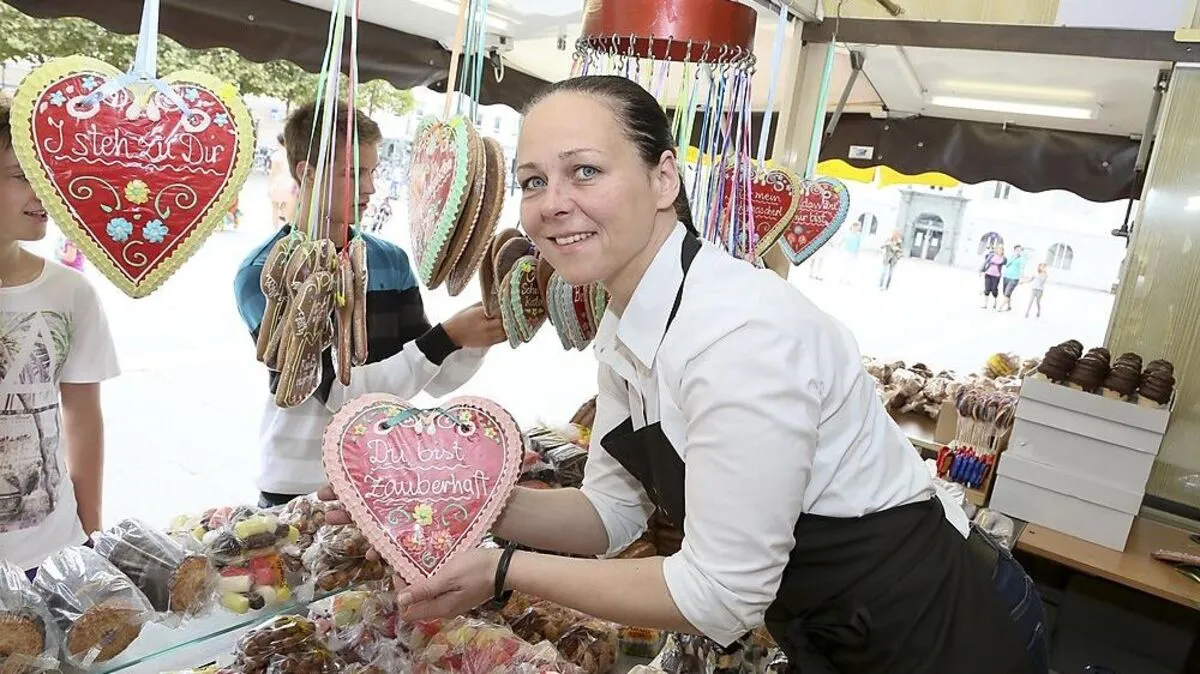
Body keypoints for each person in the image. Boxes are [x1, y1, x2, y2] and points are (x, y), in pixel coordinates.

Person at [370, 76, 1048, 674]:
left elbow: (721, 592)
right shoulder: (626, 323)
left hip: (941, 627)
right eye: (533, 181)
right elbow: (607, 514)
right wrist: (444, 496)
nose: (551, 203)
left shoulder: (738, 335)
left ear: (665, 178)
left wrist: (503, 569)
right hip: (830, 626)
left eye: (584, 171)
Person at [233, 101, 506, 509]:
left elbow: (435, 377)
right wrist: (447, 336)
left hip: (383, 474)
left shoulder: (388, 261)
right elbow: (338, 393)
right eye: (354, 173)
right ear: (308, 172)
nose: (371, 188)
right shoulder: (266, 273)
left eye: (373, 171)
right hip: (301, 485)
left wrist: (480, 332)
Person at [0, 104, 120, 575]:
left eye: (46, 174)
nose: (44, 191)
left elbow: (83, 415)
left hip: (51, 554)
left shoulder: (71, 292)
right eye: (20, 175)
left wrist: (90, 534)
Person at [267, 133, 299, 227]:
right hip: (289, 183)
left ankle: (275, 228)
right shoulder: (292, 154)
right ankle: (287, 228)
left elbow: (273, 172)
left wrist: (270, 186)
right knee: (287, 208)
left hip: (278, 182)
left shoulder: (277, 154)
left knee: (275, 207)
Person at [1000, 244, 1025, 311]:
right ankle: (1009, 307)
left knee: (1007, 293)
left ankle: (1000, 307)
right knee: (1006, 293)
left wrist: (1022, 278)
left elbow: (1022, 269)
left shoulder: (1021, 259)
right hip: (1006, 276)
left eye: (1020, 250)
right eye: (1017, 250)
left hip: (1014, 278)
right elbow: (1006, 265)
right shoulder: (1010, 257)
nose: (1018, 251)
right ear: (1014, 250)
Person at [981, 244, 1007, 310]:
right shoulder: (992, 255)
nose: (999, 250)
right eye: (998, 248)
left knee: (994, 290)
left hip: (996, 276)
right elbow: (985, 262)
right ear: (996, 249)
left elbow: (1005, 265)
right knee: (987, 289)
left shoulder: (1004, 258)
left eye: (1001, 249)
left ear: (1002, 251)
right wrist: (981, 269)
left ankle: (995, 302)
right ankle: (985, 304)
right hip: (988, 273)